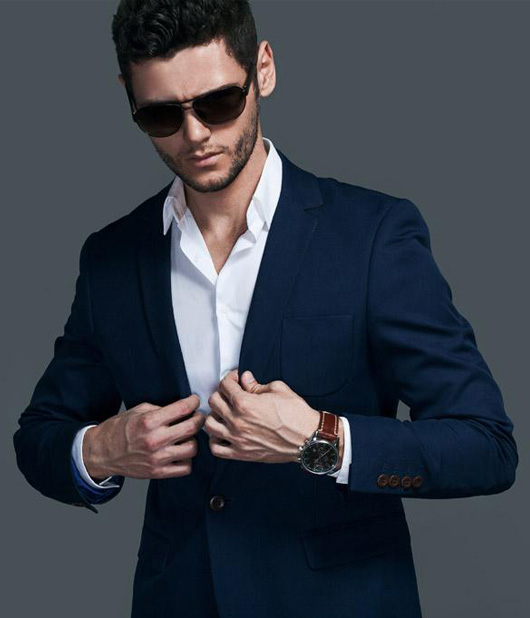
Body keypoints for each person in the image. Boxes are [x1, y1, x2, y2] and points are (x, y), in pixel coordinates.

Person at [13, 1, 518, 617]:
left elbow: (485, 447)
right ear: (129, 99)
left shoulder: (372, 237)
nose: (194, 135)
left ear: (264, 70)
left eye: (218, 102)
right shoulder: (112, 259)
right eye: (162, 114)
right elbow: (39, 435)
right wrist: (99, 451)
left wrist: (318, 439)